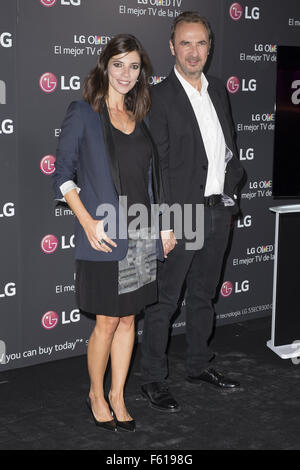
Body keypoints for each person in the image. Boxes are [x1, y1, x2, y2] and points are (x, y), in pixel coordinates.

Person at [52, 34, 173, 432]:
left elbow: (151, 180)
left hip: (140, 233)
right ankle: (96, 393)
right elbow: (62, 175)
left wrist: (163, 226)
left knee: (128, 322)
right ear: (105, 65)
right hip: (103, 234)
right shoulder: (84, 112)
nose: (126, 73)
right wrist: (87, 222)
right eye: (119, 64)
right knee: (106, 321)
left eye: (134, 66)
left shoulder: (141, 115)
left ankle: (119, 394)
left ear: (142, 73)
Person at [140, 12, 245, 412]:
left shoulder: (218, 90)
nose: (194, 51)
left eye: (201, 43)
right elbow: (158, 165)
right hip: (181, 216)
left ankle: (199, 365)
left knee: (204, 295)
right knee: (164, 303)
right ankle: (152, 378)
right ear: (172, 47)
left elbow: (227, 146)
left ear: (209, 47)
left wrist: (232, 185)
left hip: (219, 212)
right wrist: (166, 222)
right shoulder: (160, 96)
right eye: (185, 43)